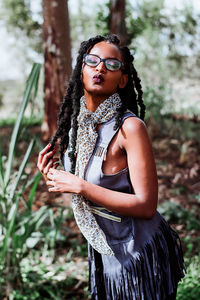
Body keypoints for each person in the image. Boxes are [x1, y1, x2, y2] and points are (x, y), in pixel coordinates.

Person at [37, 34, 185, 300]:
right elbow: (80, 183)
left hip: (138, 253)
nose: (100, 68)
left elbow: (146, 205)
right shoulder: (79, 126)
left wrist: (80, 186)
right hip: (105, 249)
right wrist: (52, 174)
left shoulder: (130, 128)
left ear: (123, 79)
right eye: (92, 61)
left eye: (111, 64)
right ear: (81, 70)